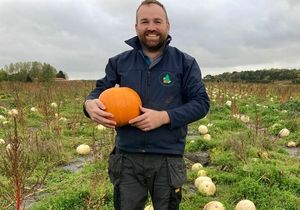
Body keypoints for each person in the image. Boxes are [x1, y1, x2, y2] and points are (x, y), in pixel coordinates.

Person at [83, 0, 210, 209]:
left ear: (167, 26)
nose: (151, 27)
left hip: (167, 158)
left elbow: (201, 103)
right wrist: (89, 104)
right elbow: (99, 91)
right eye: (145, 21)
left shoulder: (184, 63)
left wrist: (163, 117)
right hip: (127, 158)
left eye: (157, 21)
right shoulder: (119, 62)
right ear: (136, 27)